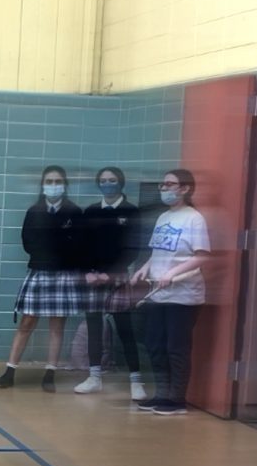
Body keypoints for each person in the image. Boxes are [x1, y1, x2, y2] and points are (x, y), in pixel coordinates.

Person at [0, 165, 82, 392]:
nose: (54, 186)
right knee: (27, 321)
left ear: (65, 185)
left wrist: (57, 249)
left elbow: (76, 243)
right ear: (43, 186)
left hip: (63, 273)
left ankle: (50, 372)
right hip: (39, 270)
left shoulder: (74, 212)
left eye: (58, 182)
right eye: (49, 182)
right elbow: (28, 242)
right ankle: (10, 370)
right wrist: (49, 249)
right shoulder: (34, 211)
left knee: (56, 324)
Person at [130, 168, 210, 416]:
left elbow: (201, 257)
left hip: (184, 296)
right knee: (155, 344)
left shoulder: (194, 218)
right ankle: (162, 394)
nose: (164, 189)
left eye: (169, 184)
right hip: (158, 293)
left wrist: (172, 274)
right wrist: (144, 269)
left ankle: (177, 400)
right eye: (162, 185)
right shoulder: (164, 217)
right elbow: (157, 252)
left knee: (177, 347)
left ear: (185, 188)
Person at [74, 167, 147, 400]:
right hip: (92, 279)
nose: (108, 184)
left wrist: (111, 274)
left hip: (117, 278)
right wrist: (87, 273)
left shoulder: (132, 212)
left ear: (121, 183)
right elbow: (80, 247)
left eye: (112, 180)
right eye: (103, 181)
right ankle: (94, 377)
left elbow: (133, 249)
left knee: (125, 328)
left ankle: (136, 380)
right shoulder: (91, 212)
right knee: (94, 327)